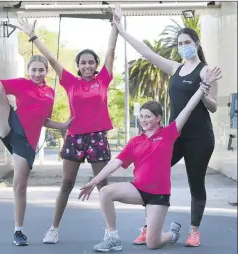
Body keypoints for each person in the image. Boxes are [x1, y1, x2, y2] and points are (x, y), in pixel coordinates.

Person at [110, 6, 221, 247]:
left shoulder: (207, 71)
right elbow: (147, 53)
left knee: (196, 183)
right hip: (174, 136)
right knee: (149, 175)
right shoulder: (175, 68)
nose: (183, 46)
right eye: (180, 43)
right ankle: (148, 226)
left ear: (196, 43)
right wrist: (121, 30)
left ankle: (193, 230)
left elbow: (213, 107)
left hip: (200, 138)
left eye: (187, 42)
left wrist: (203, 90)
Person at [78, 65, 221, 252]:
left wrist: (203, 87)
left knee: (153, 244)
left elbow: (188, 108)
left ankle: (172, 234)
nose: (144, 120)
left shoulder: (169, 133)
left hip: (158, 196)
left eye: (148, 116)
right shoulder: (135, 141)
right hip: (137, 190)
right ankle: (112, 237)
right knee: (105, 192)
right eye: (141, 117)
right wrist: (94, 181)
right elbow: (116, 163)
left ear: (158, 118)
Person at [16, 17, 118, 244]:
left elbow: (111, 50)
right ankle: (53, 228)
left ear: (96, 64)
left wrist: (115, 27)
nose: (88, 66)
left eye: (91, 62)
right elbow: (51, 59)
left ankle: (111, 232)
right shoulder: (70, 82)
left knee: (103, 185)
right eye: (83, 63)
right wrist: (33, 36)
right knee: (67, 184)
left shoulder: (103, 79)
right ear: (78, 66)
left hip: (98, 137)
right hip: (75, 138)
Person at [0, 18, 72, 246]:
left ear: (46, 72)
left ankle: (18, 230)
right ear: (28, 70)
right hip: (11, 126)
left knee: (20, 185)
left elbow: (43, 120)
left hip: (28, 142)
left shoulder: (50, 92)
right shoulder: (21, 83)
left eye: (41, 70)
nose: (37, 73)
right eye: (34, 69)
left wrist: (63, 125)